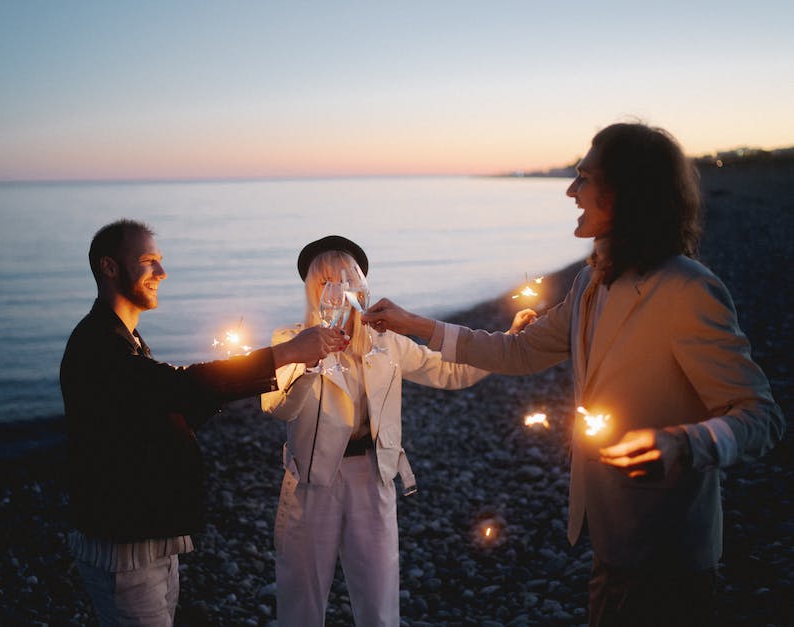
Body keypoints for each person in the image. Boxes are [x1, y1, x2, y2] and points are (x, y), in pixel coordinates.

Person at [363, 123, 785, 626]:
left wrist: (685, 444)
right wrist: (417, 325)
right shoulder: (591, 280)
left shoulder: (687, 290)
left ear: (626, 192)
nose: (570, 191)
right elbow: (519, 352)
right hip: (610, 536)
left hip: (668, 552)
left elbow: (761, 415)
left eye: (583, 178)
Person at [59, 219, 346, 626]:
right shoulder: (98, 345)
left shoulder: (127, 341)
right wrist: (282, 354)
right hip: (123, 547)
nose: (162, 273)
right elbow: (179, 386)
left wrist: (223, 389)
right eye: (148, 261)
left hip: (150, 536)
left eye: (159, 261)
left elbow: (169, 408)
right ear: (109, 267)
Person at [261, 235, 532, 626]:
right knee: (301, 595)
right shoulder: (290, 341)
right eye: (326, 282)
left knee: (379, 594)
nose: (338, 291)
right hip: (311, 478)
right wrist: (307, 361)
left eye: (347, 278)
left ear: (362, 284)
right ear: (311, 291)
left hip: (373, 473)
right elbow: (276, 406)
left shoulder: (386, 342)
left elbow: (449, 371)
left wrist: (507, 341)